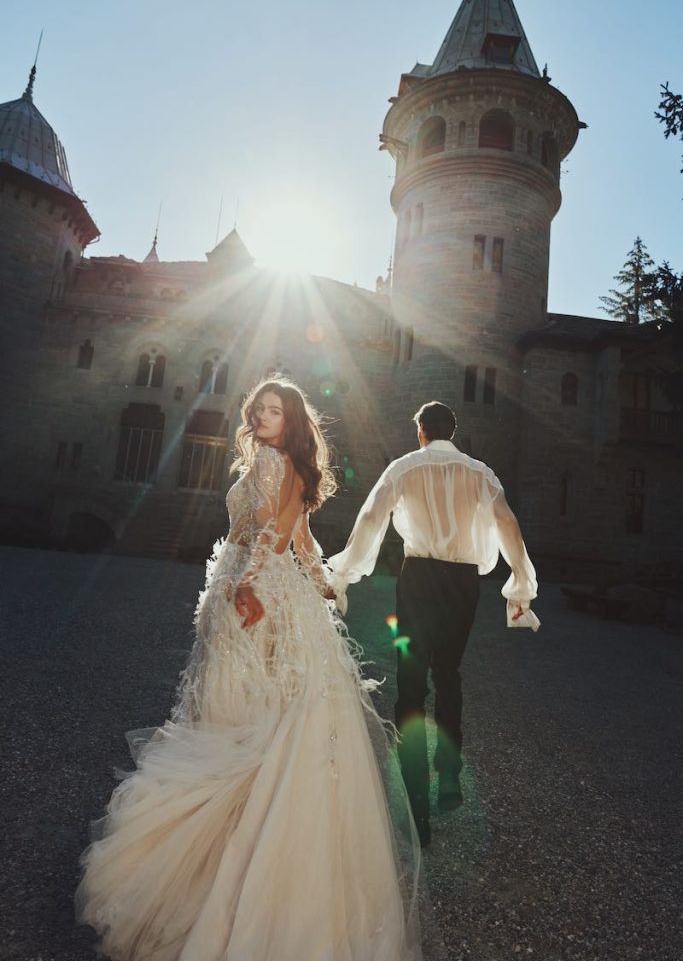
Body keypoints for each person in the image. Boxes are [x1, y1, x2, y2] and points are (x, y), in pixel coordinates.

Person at [76, 378, 421, 961]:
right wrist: (320, 582)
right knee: (267, 708)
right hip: (269, 587)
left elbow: (274, 533)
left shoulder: (268, 460)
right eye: (258, 409)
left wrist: (249, 582)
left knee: (232, 709)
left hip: (250, 587)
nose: (263, 417)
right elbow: (301, 536)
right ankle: (254, 841)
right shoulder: (290, 463)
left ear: (290, 421)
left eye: (274, 411)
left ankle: (219, 853)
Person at [327, 401, 539, 847]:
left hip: (418, 580)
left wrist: (344, 573)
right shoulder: (480, 473)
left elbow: (370, 518)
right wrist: (520, 585)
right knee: (448, 674)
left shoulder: (404, 467)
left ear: (421, 432)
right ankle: (448, 776)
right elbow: (509, 525)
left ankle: (416, 806)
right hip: (463, 584)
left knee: (410, 683)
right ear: (453, 432)